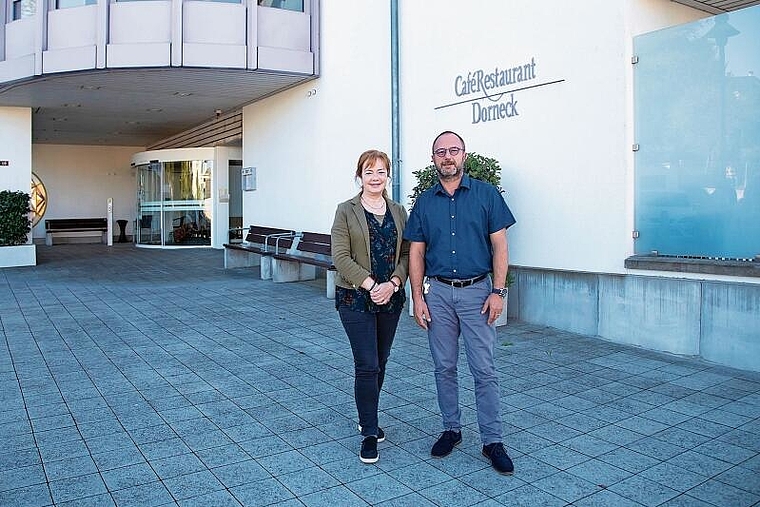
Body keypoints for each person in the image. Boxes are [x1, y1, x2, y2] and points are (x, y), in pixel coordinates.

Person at [403, 131, 516, 475]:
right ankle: (451, 430)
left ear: (464, 155)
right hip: (437, 294)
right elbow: (416, 251)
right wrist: (418, 297)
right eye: (441, 152)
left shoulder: (486, 194)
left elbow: (500, 247)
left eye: (453, 150)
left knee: (484, 370)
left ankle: (492, 441)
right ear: (433, 158)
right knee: (444, 367)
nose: (447, 156)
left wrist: (498, 292)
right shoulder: (424, 202)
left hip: (478, 295)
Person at [331, 149, 409, 464]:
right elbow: (340, 257)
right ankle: (369, 432)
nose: (375, 177)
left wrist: (393, 284)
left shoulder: (399, 211)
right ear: (359, 176)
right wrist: (372, 286)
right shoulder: (345, 210)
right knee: (367, 364)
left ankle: (368, 416)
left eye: (380, 171)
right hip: (356, 298)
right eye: (369, 171)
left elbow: (407, 254)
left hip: (390, 298)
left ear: (387, 176)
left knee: (381, 360)